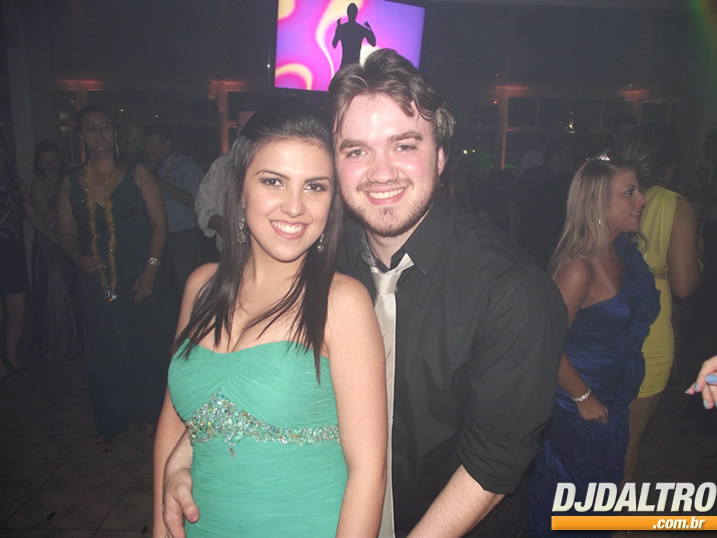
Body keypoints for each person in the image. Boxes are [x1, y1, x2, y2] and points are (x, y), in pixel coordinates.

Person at [161, 49, 567, 538]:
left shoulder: (511, 289)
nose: (381, 172)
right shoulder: (316, 253)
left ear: (441, 155)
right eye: (356, 151)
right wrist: (187, 451)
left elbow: (494, 464)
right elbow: (245, 376)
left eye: (404, 145)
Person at [153, 96, 387, 537]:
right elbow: (172, 424)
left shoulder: (342, 303)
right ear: (240, 189)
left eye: (315, 187)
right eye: (274, 181)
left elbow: (368, 472)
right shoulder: (201, 288)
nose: (294, 207)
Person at [527, 154, 660, 537]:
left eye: (639, 190)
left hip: (609, 399)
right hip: (577, 407)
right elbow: (544, 343)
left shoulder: (621, 253)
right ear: (598, 202)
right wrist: (583, 397)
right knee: (574, 505)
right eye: (629, 192)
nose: (642, 200)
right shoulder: (579, 267)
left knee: (598, 499)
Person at [56, 105, 175, 452]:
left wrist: (151, 269)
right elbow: (65, 232)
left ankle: (148, 413)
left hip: (140, 273)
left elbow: (160, 225)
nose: (99, 134)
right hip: (95, 277)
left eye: (104, 127)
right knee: (103, 347)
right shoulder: (70, 182)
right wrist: (77, 257)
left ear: (115, 133)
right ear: (81, 136)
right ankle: (108, 419)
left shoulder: (137, 173)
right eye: (90, 128)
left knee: (145, 343)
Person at [621, 125, 701, 484]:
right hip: (648, 329)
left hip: (600, 320)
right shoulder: (675, 205)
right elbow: (684, 286)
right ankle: (607, 510)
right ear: (669, 168)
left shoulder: (606, 191)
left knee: (593, 431)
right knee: (629, 439)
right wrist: (697, 259)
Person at [0, 134, 55, 381]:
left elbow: (32, 213)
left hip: (12, 249)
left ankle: (11, 355)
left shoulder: (14, 181)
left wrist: (50, 235)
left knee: (18, 308)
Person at [30, 140, 82, 360]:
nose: (49, 165)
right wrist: (63, 197)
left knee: (74, 289)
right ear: (39, 163)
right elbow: (43, 216)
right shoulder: (38, 185)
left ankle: (77, 341)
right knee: (56, 292)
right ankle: (58, 344)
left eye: (53, 160)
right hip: (50, 242)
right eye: (45, 161)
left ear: (60, 160)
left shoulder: (68, 179)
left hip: (72, 239)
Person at [145, 124, 204, 299]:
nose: (147, 148)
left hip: (183, 235)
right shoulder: (149, 167)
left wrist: (163, 185)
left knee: (185, 283)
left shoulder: (186, 166)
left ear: (167, 144)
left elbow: (196, 200)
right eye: (146, 144)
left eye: (152, 144)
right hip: (158, 234)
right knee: (164, 283)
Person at [513, 138, 573, 269]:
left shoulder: (568, 180)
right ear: (556, 158)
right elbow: (512, 202)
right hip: (531, 245)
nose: (570, 160)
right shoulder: (532, 176)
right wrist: (513, 230)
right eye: (568, 156)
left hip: (557, 246)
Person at [332, 2, 376, 68]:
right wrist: (369, 29)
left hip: (345, 65)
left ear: (347, 12)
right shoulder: (361, 29)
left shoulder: (342, 28)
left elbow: (334, 44)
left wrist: (338, 29)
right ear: (356, 13)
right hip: (355, 66)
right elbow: (373, 43)